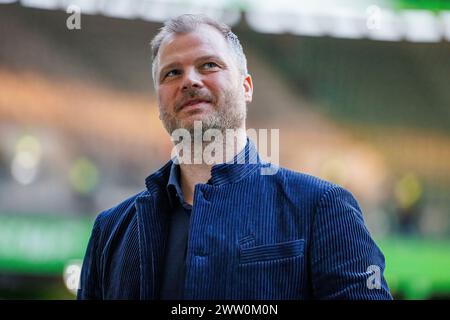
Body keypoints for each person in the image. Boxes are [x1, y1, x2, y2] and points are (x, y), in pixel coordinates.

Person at [77, 14, 392, 300]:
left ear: (246, 87)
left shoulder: (322, 207)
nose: (189, 80)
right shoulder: (111, 229)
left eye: (209, 65)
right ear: (159, 99)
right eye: (172, 73)